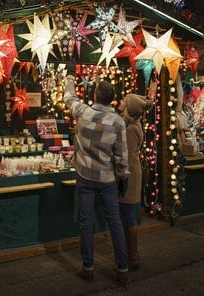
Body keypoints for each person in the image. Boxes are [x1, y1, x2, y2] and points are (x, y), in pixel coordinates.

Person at [64, 63, 130, 285]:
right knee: (115, 222)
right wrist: (123, 178)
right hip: (108, 179)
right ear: (112, 99)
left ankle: (88, 267)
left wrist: (71, 76)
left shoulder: (83, 112)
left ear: (95, 95)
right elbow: (121, 156)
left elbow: (68, 98)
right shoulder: (118, 122)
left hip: (85, 177)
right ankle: (122, 268)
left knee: (86, 222)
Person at [118, 94, 153, 270]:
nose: (120, 102)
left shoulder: (130, 128)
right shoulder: (127, 123)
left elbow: (128, 157)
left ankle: (133, 256)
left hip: (130, 175)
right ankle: (130, 254)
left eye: (124, 100)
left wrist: (121, 176)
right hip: (131, 173)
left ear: (129, 108)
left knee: (128, 216)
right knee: (127, 215)